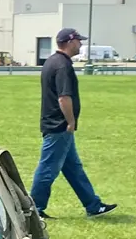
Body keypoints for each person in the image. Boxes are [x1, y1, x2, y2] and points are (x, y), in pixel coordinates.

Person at [29, 28, 116, 220]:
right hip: (59, 126)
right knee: (47, 169)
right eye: (79, 41)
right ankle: (32, 210)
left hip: (55, 124)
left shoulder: (52, 61)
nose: (81, 44)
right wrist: (70, 121)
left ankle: (93, 205)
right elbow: (64, 98)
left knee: (73, 168)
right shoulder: (62, 66)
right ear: (70, 42)